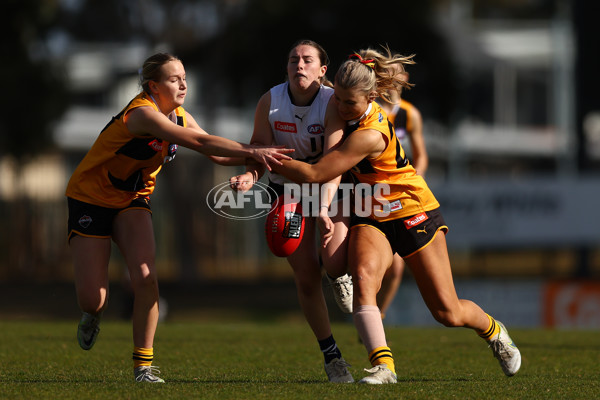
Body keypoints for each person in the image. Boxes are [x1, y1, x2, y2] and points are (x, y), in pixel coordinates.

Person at [272, 47, 522, 384]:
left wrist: (265, 157)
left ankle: (494, 331)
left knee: (447, 312)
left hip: (412, 209)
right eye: (339, 100)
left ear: (371, 97)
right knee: (363, 281)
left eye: (351, 103)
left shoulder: (370, 134)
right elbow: (327, 155)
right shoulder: (336, 107)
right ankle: (384, 367)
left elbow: (317, 173)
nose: (342, 108)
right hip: (370, 209)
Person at [65, 53, 293, 383]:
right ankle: (92, 315)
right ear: (153, 86)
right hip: (90, 199)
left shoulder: (179, 115)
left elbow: (213, 152)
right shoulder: (142, 114)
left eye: (184, 77)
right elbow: (200, 142)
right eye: (174, 79)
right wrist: (252, 150)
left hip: (132, 199)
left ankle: (143, 368)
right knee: (93, 298)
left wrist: (253, 167)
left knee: (146, 278)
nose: (183, 83)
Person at [229, 39, 354, 383]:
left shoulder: (332, 102)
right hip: (288, 190)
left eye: (307, 59)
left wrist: (324, 207)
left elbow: (332, 164)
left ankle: (339, 273)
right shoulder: (270, 102)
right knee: (305, 277)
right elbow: (258, 154)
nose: (299, 64)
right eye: (293, 59)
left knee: (333, 258)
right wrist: (248, 176)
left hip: (328, 184)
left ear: (322, 70)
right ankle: (332, 356)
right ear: (286, 67)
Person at [375, 65, 428, 321]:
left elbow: (421, 156)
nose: (389, 77)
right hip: (370, 192)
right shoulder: (369, 110)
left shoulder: (410, 114)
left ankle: (379, 314)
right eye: (383, 72)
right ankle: (367, 312)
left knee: (395, 270)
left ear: (405, 79)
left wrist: (413, 179)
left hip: (398, 197)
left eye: (394, 72)